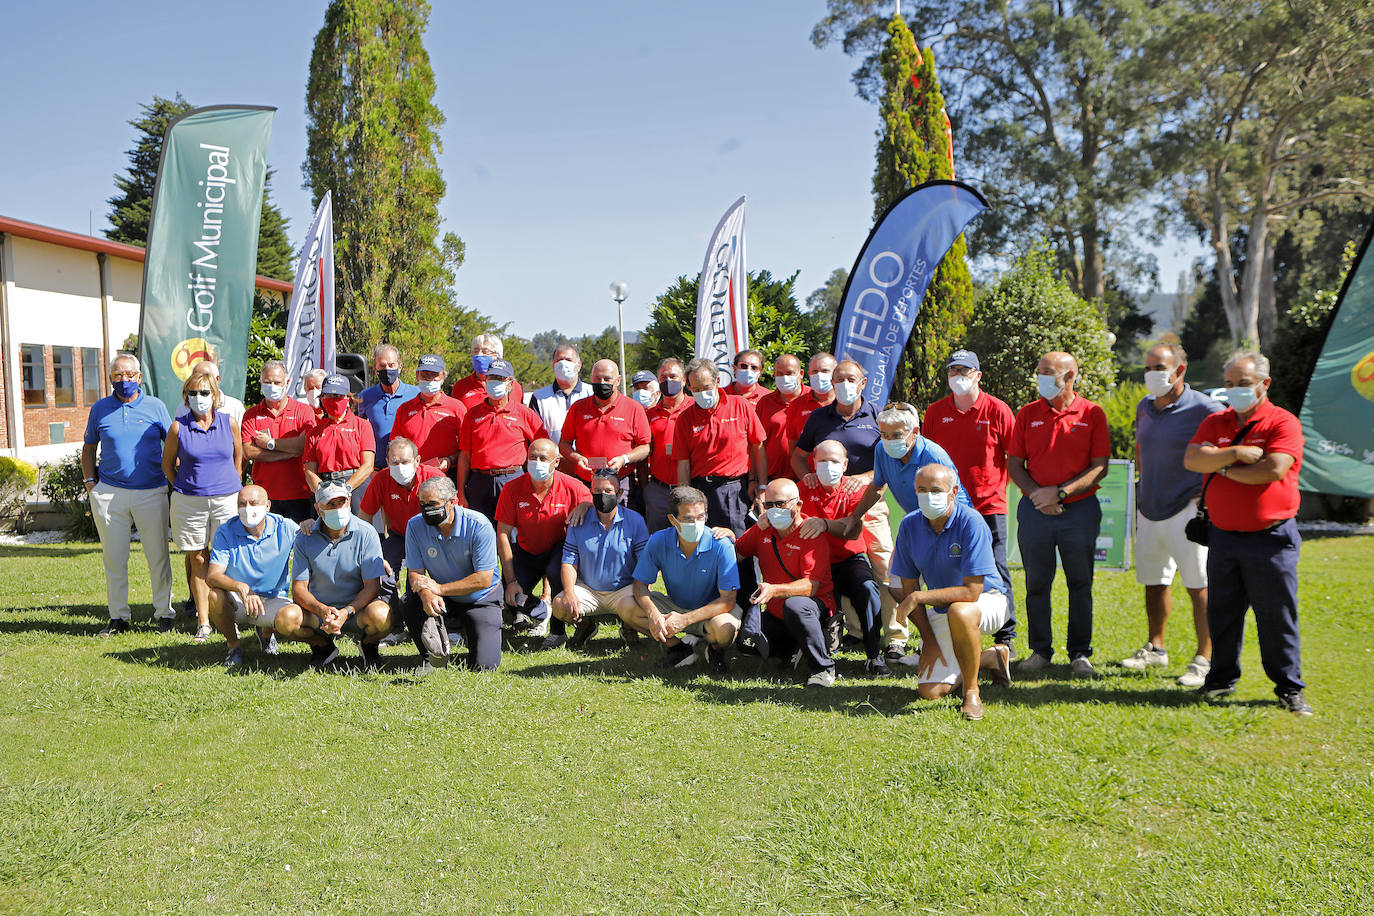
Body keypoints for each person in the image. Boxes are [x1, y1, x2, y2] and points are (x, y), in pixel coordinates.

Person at [1184, 349, 1311, 715]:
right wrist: (1236, 454)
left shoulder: (1282, 423)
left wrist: (1218, 464)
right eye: (1228, 384)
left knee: (1276, 615)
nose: (1234, 390)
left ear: (1263, 384)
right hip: (1223, 536)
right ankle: (1220, 680)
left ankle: (1289, 687)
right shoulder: (1217, 421)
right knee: (1222, 613)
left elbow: (1271, 470)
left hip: (1270, 538)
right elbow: (1193, 459)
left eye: (1243, 384)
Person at [1124, 343, 1222, 685]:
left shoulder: (1206, 407)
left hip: (1188, 511)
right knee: (1154, 582)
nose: (1151, 373)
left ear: (1180, 370)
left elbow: (1221, 451)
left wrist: (1205, 491)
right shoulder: (1144, 406)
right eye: (1148, 367)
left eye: (1159, 367)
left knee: (1200, 586)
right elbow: (1141, 447)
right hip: (1150, 507)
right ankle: (1156, 647)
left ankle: (1204, 658)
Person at [1008, 350, 1110, 677]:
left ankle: (1080, 653)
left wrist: (1062, 493)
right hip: (1036, 511)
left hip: (1079, 511)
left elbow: (1100, 467)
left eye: (1047, 372)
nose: (1040, 378)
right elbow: (1014, 464)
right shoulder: (1027, 414)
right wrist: (1040, 497)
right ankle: (1040, 651)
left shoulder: (1092, 414)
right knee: (1037, 583)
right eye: (1039, 371)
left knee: (1080, 583)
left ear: (1069, 377)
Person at [843, 401, 968, 657]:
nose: (889, 441)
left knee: (940, 589)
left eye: (897, 435)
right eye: (884, 435)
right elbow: (877, 487)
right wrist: (855, 516)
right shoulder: (881, 451)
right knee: (898, 584)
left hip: (949, 525)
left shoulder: (934, 455)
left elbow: (952, 498)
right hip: (915, 526)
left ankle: (949, 646)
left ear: (915, 432)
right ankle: (927, 639)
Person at [891, 464, 1013, 721]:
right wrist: (929, 643)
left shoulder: (971, 521)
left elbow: (971, 591)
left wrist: (918, 597)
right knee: (930, 692)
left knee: (960, 610)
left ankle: (972, 693)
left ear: (953, 492)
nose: (928, 496)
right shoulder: (909, 525)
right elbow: (908, 586)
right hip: (943, 605)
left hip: (987, 600)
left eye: (936, 490)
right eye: (921, 490)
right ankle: (991, 658)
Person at [922, 349, 1019, 655]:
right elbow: (927, 458)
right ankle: (945, 632)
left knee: (997, 570)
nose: (958, 377)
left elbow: (1014, 458)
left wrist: (996, 488)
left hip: (989, 506)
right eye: (953, 372)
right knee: (945, 569)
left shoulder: (998, 409)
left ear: (978, 375)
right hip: (947, 508)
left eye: (965, 371)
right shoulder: (936, 411)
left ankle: (1006, 638)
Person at [82, 354, 176, 635]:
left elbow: (172, 443)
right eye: (117, 375)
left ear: (139, 377)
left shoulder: (155, 406)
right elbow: (89, 447)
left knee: (158, 555)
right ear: (110, 377)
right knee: (114, 557)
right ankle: (118, 617)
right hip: (110, 493)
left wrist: (173, 479)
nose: (124, 380)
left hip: (151, 491)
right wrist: (91, 484)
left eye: (129, 375)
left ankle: (164, 613)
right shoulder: (100, 409)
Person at [728, 479, 839, 687]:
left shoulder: (811, 534)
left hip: (811, 606)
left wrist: (774, 589)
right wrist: (724, 537)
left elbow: (811, 587)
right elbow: (734, 555)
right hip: (775, 611)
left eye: (780, 504)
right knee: (746, 645)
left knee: (795, 605)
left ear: (798, 505)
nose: (774, 510)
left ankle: (823, 668)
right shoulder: (762, 529)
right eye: (768, 505)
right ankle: (796, 647)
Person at [163, 371, 243, 643]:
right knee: (198, 559)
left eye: (205, 393)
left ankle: (232, 615)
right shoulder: (178, 427)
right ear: (186, 397)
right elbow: (167, 465)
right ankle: (204, 621)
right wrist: (186, 487)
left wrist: (230, 484)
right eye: (193, 393)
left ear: (215, 395)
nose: (199, 398)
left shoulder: (229, 422)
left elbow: (238, 457)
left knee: (227, 558)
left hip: (226, 500)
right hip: (189, 502)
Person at [626, 486, 741, 675]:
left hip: (713, 611)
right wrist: (653, 614)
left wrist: (684, 620)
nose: (696, 523)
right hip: (675, 606)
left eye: (701, 517)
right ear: (672, 519)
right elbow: (639, 585)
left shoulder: (721, 544)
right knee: (626, 606)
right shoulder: (658, 540)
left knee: (724, 630)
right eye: (688, 518)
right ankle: (678, 649)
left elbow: (728, 600)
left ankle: (714, 651)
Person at [797, 439, 888, 675]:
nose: (829, 466)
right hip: (815, 562)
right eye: (823, 461)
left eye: (834, 461)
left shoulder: (855, 489)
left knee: (868, 589)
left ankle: (874, 654)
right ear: (813, 463)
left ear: (845, 464)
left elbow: (853, 529)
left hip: (849, 559)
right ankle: (810, 650)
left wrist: (824, 524)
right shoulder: (802, 488)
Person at [279, 481, 392, 671]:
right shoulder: (304, 537)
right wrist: (323, 610)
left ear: (349, 501)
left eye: (342, 502)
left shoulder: (367, 532)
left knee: (382, 616)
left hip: (357, 611)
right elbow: (298, 589)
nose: (338, 508)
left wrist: (346, 612)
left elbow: (372, 586)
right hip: (318, 613)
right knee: (285, 619)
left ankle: (368, 645)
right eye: (330, 504)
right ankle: (322, 645)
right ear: (318, 508)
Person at [402, 476, 504, 674]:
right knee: (409, 601)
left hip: (480, 598)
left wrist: (439, 588)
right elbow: (414, 573)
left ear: (453, 502)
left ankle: (469, 635)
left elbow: (484, 578)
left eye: (433, 504)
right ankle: (429, 657)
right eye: (422, 504)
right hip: (442, 599)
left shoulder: (479, 525)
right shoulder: (415, 525)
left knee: (485, 666)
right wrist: (427, 594)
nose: (426, 510)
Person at [494, 438, 589, 638]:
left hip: (559, 548)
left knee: (557, 574)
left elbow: (591, 497)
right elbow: (503, 533)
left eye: (543, 458)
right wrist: (511, 580)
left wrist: (585, 505)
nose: (537, 462)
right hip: (527, 550)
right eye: (532, 457)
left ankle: (557, 631)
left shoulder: (571, 485)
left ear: (556, 462)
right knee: (509, 596)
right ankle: (538, 612)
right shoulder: (512, 489)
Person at [553, 467, 650, 649]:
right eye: (597, 491)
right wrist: (569, 592)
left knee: (641, 604)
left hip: (624, 589)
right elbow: (569, 560)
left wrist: (643, 590)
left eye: (608, 491)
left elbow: (645, 562)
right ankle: (586, 626)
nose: (602, 495)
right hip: (589, 589)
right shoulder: (578, 520)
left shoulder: (635, 520)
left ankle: (629, 627)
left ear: (619, 493)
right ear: (591, 492)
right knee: (560, 605)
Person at [204, 485, 298, 668]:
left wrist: (309, 525)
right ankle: (234, 646)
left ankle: (266, 635)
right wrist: (242, 587)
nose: (247, 508)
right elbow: (213, 576)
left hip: (273, 598)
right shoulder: (225, 531)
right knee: (215, 595)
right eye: (242, 503)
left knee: (293, 619)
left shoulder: (285, 527)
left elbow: (310, 541)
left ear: (268, 505)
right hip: (238, 599)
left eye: (253, 503)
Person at [673, 357, 767, 534]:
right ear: (689, 388)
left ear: (717, 381)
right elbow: (683, 464)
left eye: (706, 387)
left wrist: (761, 486)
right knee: (704, 546)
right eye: (696, 389)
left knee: (737, 547)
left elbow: (758, 447)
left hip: (735, 490)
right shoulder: (685, 419)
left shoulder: (740, 405)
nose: (702, 393)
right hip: (700, 491)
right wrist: (686, 501)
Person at [456, 358, 549, 520]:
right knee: (479, 534)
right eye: (491, 378)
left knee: (512, 533)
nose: (495, 382)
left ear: (510, 384)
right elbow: (464, 455)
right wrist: (461, 492)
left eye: (500, 379)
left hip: (513, 478)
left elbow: (544, 448)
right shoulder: (472, 414)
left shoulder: (524, 413)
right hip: (479, 481)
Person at [358, 436, 445, 602]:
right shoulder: (381, 479)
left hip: (432, 535)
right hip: (399, 535)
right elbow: (364, 518)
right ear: (387, 461)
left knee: (438, 576)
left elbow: (452, 515)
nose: (400, 467)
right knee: (380, 572)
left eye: (405, 462)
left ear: (417, 460)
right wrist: (372, 551)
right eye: (395, 462)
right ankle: (390, 614)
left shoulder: (434, 478)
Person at [241, 360, 317, 523]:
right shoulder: (251, 415)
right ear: (261, 382)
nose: (272, 386)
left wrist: (271, 444)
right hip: (264, 495)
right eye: (267, 382)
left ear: (287, 382)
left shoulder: (303, 411)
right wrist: (290, 451)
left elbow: (304, 446)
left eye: (277, 382)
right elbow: (248, 451)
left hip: (300, 494)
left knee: (300, 545)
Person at [559, 358, 651, 487]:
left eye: (607, 379)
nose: (602, 383)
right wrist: (577, 458)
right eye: (597, 379)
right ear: (591, 378)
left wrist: (624, 459)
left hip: (620, 482)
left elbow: (645, 447)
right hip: (586, 482)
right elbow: (563, 443)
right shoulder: (578, 408)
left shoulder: (634, 408)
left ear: (618, 380)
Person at [390, 354, 466, 474]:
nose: (429, 379)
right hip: (413, 475)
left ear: (443, 376)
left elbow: (467, 449)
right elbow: (395, 446)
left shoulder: (457, 408)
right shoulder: (404, 409)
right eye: (425, 375)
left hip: (448, 475)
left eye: (434, 375)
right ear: (417, 376)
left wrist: (451, 460)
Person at [642, 358, 689, 532]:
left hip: (689, 487)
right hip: (658, 490)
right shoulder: (649, 414)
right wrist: (647, 488)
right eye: (663, 377)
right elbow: (644, 451)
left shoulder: (694, 408)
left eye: (673, 376)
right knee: (657, 539)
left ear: (684, 380)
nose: (668, 381)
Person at [356, 343, 419, 471]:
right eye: (382, 366)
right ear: (375, 369)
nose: (387, 369)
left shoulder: (416, 394)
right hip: (377, 470)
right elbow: (359, 433)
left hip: (407, 468)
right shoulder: (365, 397)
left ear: (400, 367)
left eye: (391, 365)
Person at [755, 353, 809, 482]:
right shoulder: (765, 403)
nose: (785, 378)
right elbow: (756, 444)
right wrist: (755, 480)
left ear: (801, 374)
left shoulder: (812, 399)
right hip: (771, 478)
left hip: (806, 477)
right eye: (780, 373)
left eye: (789, 373)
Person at [528, 344, 590, 447]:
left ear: (579, 365)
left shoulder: (592, 393)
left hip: (585, 460)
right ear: (553, 364)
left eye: (568, 360)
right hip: (553, 460)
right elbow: (535, 435)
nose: (563, 363)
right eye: (559, 360)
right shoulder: (539, 397)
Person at [450, 334, 526, 410]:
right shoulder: (460, 387)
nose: (479, 355)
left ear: (497, 356)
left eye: (485, 351)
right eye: (476, 351)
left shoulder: (514, 387)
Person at [783, 352, 837, 448]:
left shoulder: (845, 404)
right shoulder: (796, 405)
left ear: (835, 373)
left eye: (825, 371)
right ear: (809, 374)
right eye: (815, 371)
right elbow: (793, 448)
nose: (819, 375)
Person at [187, 360, 245, 425]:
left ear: (217, 379)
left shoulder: (235, 407)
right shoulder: (183, 408)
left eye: (206, 377)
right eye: (196, 377)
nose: (201, 381)